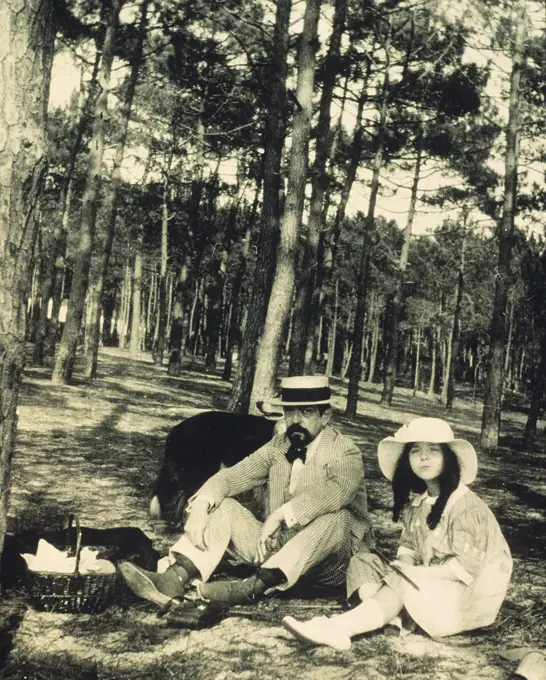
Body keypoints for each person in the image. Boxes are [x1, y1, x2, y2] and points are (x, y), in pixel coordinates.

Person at [120, 375, 375, 608]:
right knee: (223, 504)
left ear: (325, 416)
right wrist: (201, 505)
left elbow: (336, 493)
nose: (296, 420)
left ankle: (253, 587)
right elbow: (234, 476)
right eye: (290, 412)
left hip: (333, 563)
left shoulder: (345, 451)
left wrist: (279, 515)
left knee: (338, 518)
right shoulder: (280, 446)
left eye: (306, 412)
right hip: (278, 548)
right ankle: (175, 577)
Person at [282, 417, 513, 650]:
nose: (423, 456)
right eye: (415, 450)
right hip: (429, 581)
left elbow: (466, 569)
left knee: (400, 579)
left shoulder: (464, 505)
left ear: (448, 458)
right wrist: (404, 565)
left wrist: (410, 573)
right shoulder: (418, 505)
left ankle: (341, 628)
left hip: (466, 596)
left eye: (433, 450)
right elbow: (409, 547)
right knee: (363, 561)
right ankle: (394, 614)